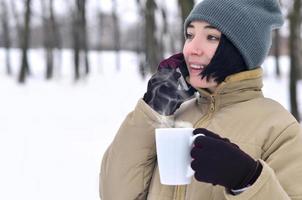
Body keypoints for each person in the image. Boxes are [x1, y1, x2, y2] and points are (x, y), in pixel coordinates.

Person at [100, 0, 302, 199]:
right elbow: (114, 194)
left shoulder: (280, 129)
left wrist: (247, 179)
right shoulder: (172, 115)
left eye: (211, 37)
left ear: (242, 50)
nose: (191, 49)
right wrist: (152, 110)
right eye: (190, 35)